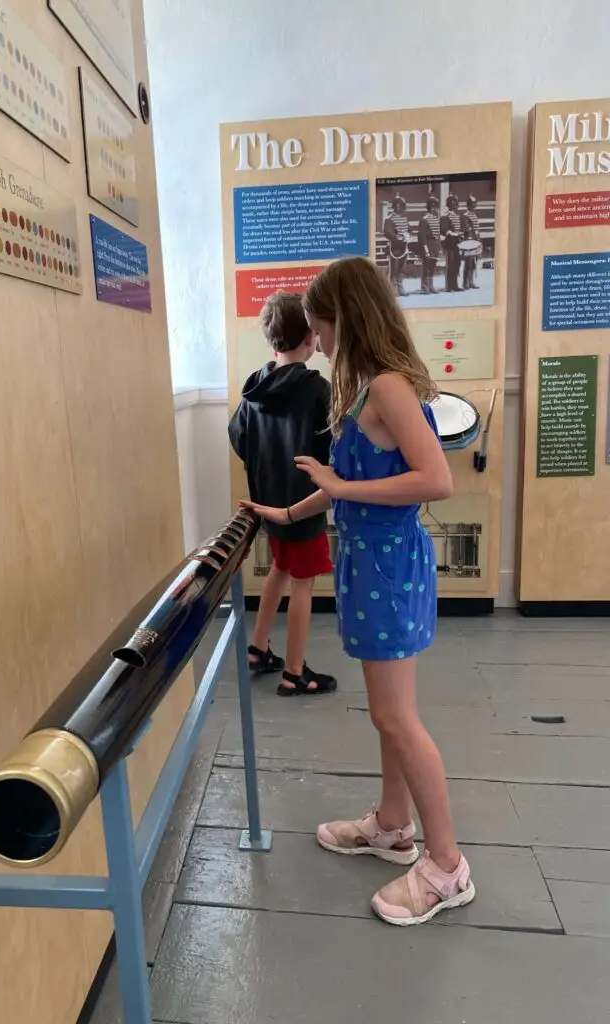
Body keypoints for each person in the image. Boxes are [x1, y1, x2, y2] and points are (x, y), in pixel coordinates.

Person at [241, 258, 475, 925]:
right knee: (387, 713)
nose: (315, 336)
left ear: (345, 318)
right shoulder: (364, 387)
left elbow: (436, 481)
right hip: (370, 562)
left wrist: (341, 489)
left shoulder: (389, 388)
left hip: (388, 563)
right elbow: (343, 479)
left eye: (320, 323)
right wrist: (290, 512)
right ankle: (393, 826)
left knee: (396, 717)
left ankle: (447, 867)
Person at [228, 291, 337, 697]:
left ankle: (258, 649)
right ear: (311, 336)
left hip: (266, 503)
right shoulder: (318, 390)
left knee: (280, 569)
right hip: (303, 508)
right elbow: (332, 452)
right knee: (303, 584)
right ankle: (294, 672)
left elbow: (239, 438)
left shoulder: (254, 389)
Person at [382, 195, 410, 297]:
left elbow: (409, 229)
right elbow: (388, 232)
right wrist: (398, 238)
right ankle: (392, 290)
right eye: (401, 206)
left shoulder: (404, 218)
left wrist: (407, 235)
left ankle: (400, 288)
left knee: (402, 269)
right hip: (395, 247)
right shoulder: (389, 218)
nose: (402, 208)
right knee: (394, 268)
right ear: (396, 206)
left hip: (404, 246)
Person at [417, 195, 441, 295]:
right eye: (431, 205)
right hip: (428, 245)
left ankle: (431, 286)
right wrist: (426, 249)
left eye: (434, 205)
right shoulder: (424, 219)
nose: (433, 207)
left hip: (435, 246)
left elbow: (438, 234)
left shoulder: (436, 218)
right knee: (426, 267)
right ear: (428, 206)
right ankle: (425, 287)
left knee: (432, 267)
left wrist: (439, 247)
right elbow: (422, 236)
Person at [441, 193, 462, 292]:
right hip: (450, 243)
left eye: (455, 203)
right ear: (448, 204)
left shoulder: (457, 216)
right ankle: (449, 286)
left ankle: (455, 285)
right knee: (450, 264)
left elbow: (459, 228)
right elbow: (445, 230)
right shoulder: (445, 216)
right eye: (452, 203)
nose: (454, 205)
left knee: (457, 264)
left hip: (457, 243)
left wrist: (461, 234)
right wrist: (454, 234)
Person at [461, 194, 481, 290]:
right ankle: (466, 282)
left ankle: (471, 281)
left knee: (474, 262)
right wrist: (471, 238)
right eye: (472, 203)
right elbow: (466, 229)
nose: (473, 205)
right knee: (468, 262)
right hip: (469, 241)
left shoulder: (475, 215)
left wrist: (478, 239)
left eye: (474, 203)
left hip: (476, 240)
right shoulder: (465, 215)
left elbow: (477, 228)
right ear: (468, 204)